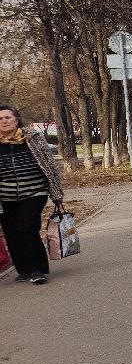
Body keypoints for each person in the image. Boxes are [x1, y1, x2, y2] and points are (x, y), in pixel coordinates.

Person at [0, 105, 64, 285]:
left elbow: (50, 164)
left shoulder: (33, 137)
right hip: (5, 197)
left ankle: (38, 269)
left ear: (16, 119)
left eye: (8, 117)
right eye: (0, 119)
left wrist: (56, 192)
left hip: (35, 191)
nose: (4, 121)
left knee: (27, 228)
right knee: (11, 233)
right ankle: (23, 270)